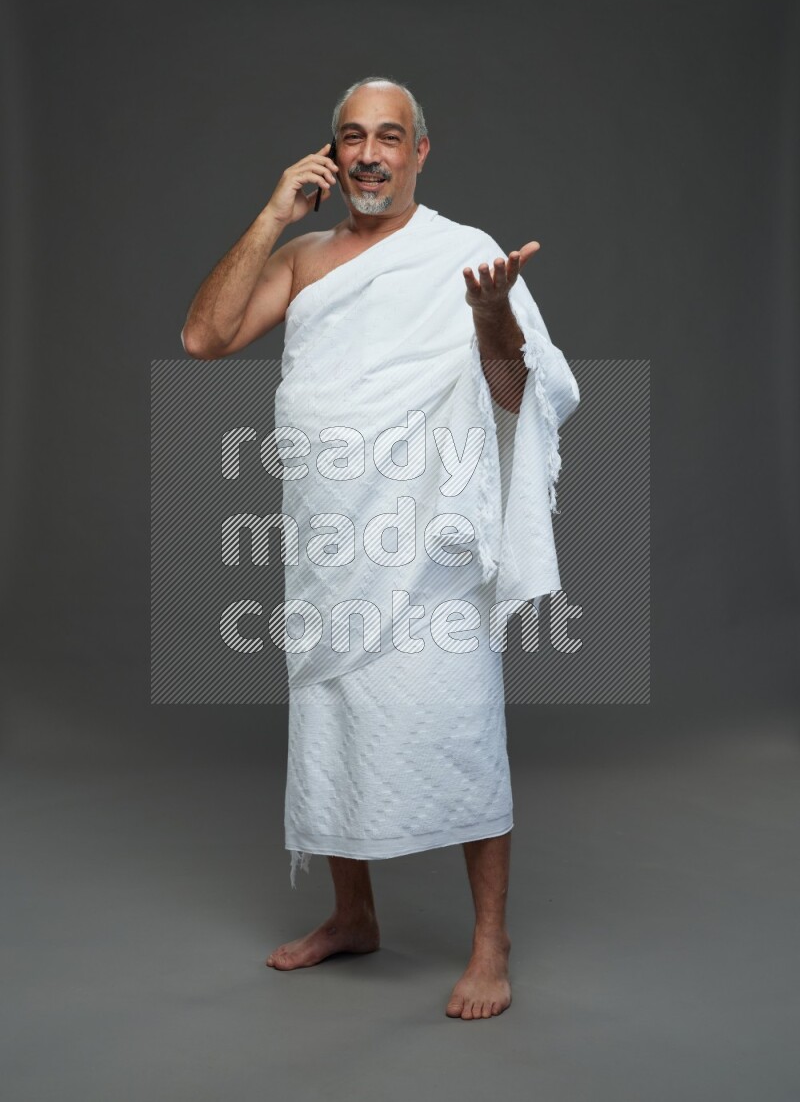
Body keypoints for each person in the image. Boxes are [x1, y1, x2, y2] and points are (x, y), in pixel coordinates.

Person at [181, 76, 580, 1020]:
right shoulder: (307, 255)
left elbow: (521, 395)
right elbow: (205, 336)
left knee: (463, 724)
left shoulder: (465, 256)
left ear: (419, 152)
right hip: (328, 532)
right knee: (333, 717)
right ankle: (352, 913)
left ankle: (492, 941)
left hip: (428, 540)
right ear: (332, 152)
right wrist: (274, 211)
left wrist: (492, 322)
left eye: (389, 137)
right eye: (352, 136)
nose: (369, 154)